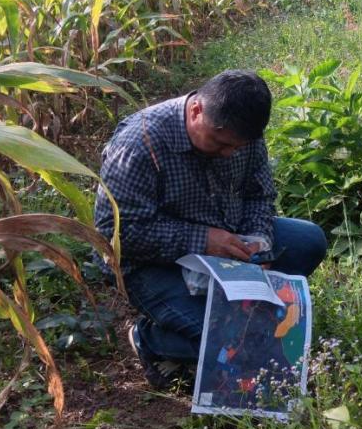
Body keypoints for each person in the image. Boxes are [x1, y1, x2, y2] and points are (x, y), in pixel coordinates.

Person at [94, 69, 327, 388]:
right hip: (151, 266)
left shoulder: (243, 136)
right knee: (237, 340)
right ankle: (149, 338)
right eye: (219, 143)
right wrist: (201, 240)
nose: (229, 153)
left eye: (237, 146)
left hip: (227, 247)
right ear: (196, 110)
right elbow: (114, 235)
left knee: (309, 240)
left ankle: (216, 309)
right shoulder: (139, 144)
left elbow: (258, 195)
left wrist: (259, 240)